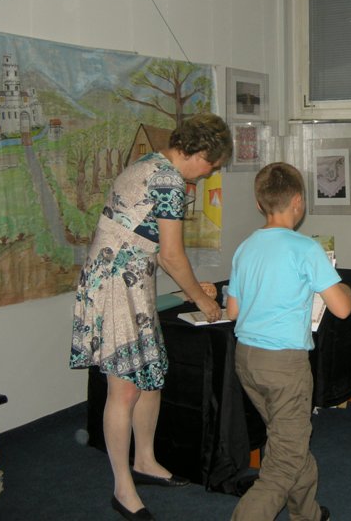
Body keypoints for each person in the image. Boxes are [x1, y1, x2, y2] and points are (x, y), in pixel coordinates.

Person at [70, 114, 232, 521]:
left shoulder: (149, 165)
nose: (208, 173)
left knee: (151, 377)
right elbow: (172, 255)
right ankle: (122, 487)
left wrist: (191, 289)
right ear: (199, 152)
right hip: (116, 287)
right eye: (211, 165)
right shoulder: (168, 179)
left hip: (130, 283)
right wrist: (202, 301)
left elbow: (151, 244)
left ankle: (145, 461)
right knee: (124, 390)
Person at [226, 162, 351, 521]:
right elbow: (342, 309)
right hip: (285, 366)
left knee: (289, 442)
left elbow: (233, 310)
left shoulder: (245, 248)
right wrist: (344, 287)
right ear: (298, 201)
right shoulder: (305, 248)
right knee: (282, 464)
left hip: (248, 360)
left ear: (259, 204)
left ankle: (307, 513)